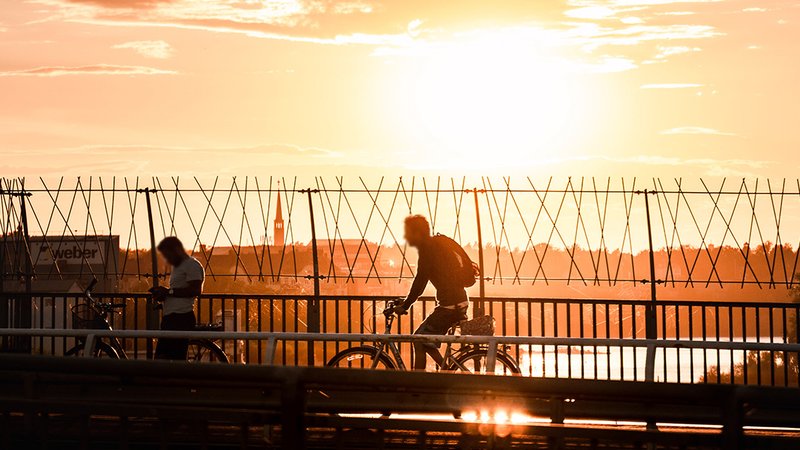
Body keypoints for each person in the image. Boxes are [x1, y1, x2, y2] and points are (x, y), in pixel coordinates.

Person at [395, 215, 478, 370]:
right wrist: (406, 301)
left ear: (418, 233)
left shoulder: (427, 249)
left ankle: (420, 385)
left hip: (450, 306)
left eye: (408, 232)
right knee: (425, 341)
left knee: (418, 340)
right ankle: (446, 371)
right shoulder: (437, 245)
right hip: (458, 301)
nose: (405, 236)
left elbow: (420, 281)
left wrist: (405, 306)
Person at [149, 236, 204, 360]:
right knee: (166, 357)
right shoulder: (179, 267)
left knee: (169, 357)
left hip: (180, 317)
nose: (168, 259)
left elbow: (196, 290)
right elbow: (177, 291)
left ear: (177, 250)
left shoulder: (191, 265)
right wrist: (164, 295)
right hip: (172, 317)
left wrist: (169, 292)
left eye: (168, 255)